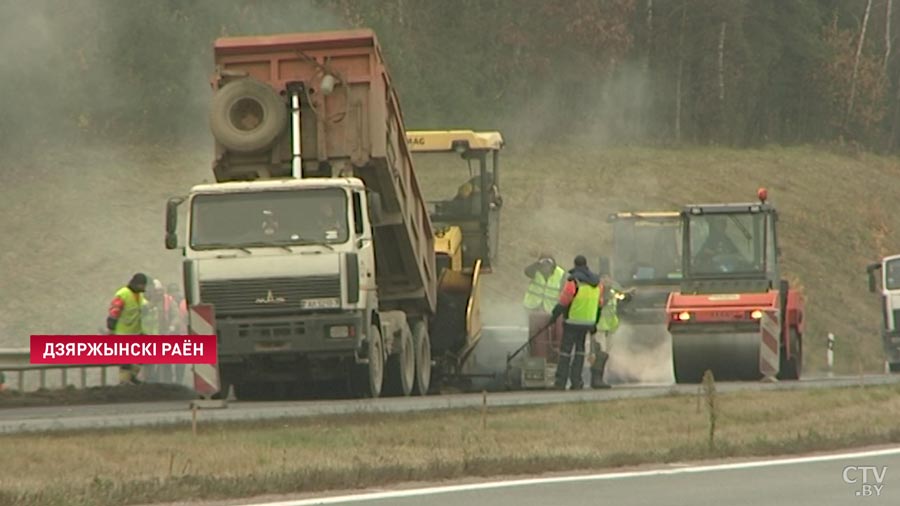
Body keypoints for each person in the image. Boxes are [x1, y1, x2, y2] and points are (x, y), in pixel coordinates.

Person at [549, 255, 604, 390]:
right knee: (580, 351)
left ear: (575, 264)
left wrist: (554, 315)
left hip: (572, 321)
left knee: (565, 351)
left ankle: (560, 382)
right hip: (588, 323)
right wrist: (594, 323)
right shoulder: (597, 283)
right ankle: (577, 381)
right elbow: (599, 304)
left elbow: (564, 300)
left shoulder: (573, 281)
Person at [523, 253, 566, 360]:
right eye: (543, 264)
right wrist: (537, 264)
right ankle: (535, 353)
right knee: (535, 333)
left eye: (548, 264)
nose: (545, 267)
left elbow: (565, 290)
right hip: (535, 306)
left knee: (552, 333)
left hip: (551, 308)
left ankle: (552, 354)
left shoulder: (561, 274)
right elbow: (527, 272)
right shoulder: (535, 270)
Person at [107, 273, 148, 385]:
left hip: (136, 331)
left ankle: (132, 376)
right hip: (123, 333)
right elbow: (114, 311)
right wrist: (111, 327)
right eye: (142, 285)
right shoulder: (123, 294)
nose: (144, 288)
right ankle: (124, 381)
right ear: (137, 284)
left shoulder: (139, 296)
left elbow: (143, 308)